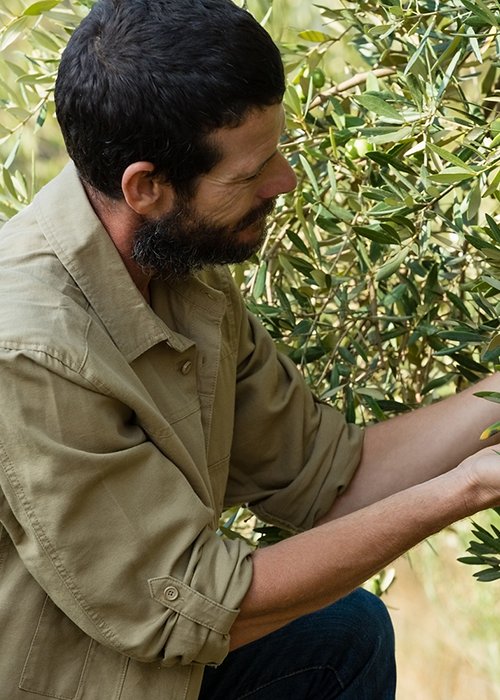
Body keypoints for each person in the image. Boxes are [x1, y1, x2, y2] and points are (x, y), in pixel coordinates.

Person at [0, 1, 499, 698]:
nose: (286, 181)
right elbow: (191, 607)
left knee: (342, 635)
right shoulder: (28, 348)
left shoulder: (180, 275)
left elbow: (332, 479)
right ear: (146, 187)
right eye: (253, 171)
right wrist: (470, 485)